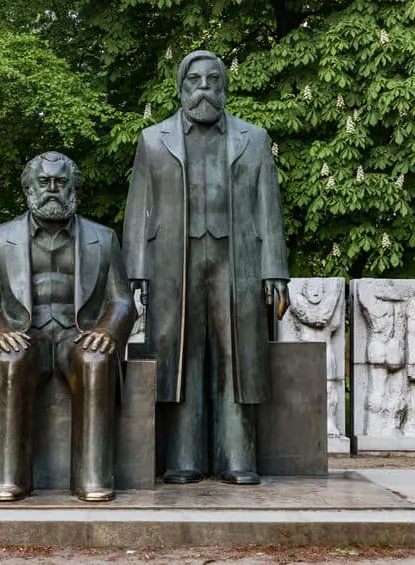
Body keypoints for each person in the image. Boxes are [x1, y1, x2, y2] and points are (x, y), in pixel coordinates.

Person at [122, 51, 290, 485]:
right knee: (181, 356)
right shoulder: (152, 139)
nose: (203, 87)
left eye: (212, 80)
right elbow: (139, 206)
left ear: (224, 87)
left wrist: (275, 271)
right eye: (194, 79)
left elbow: (268, 209)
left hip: (239, 260)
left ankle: (238, 457)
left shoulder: (254, 138)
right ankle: (184, 459)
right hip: (172, 261)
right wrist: (135, 271)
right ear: (180, 88)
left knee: (238, 356)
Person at [0, 151, 136, 502]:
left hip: (79, 333)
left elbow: (121, 300)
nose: (52, 189)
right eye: (43, 182)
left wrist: (106, 331)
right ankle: (9, 478)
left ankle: (92, 477)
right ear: (29, 188)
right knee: (10, 359)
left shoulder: (103, 238)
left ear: (74, 188)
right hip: (24, 333)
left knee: (94, 359)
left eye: (60, 182)